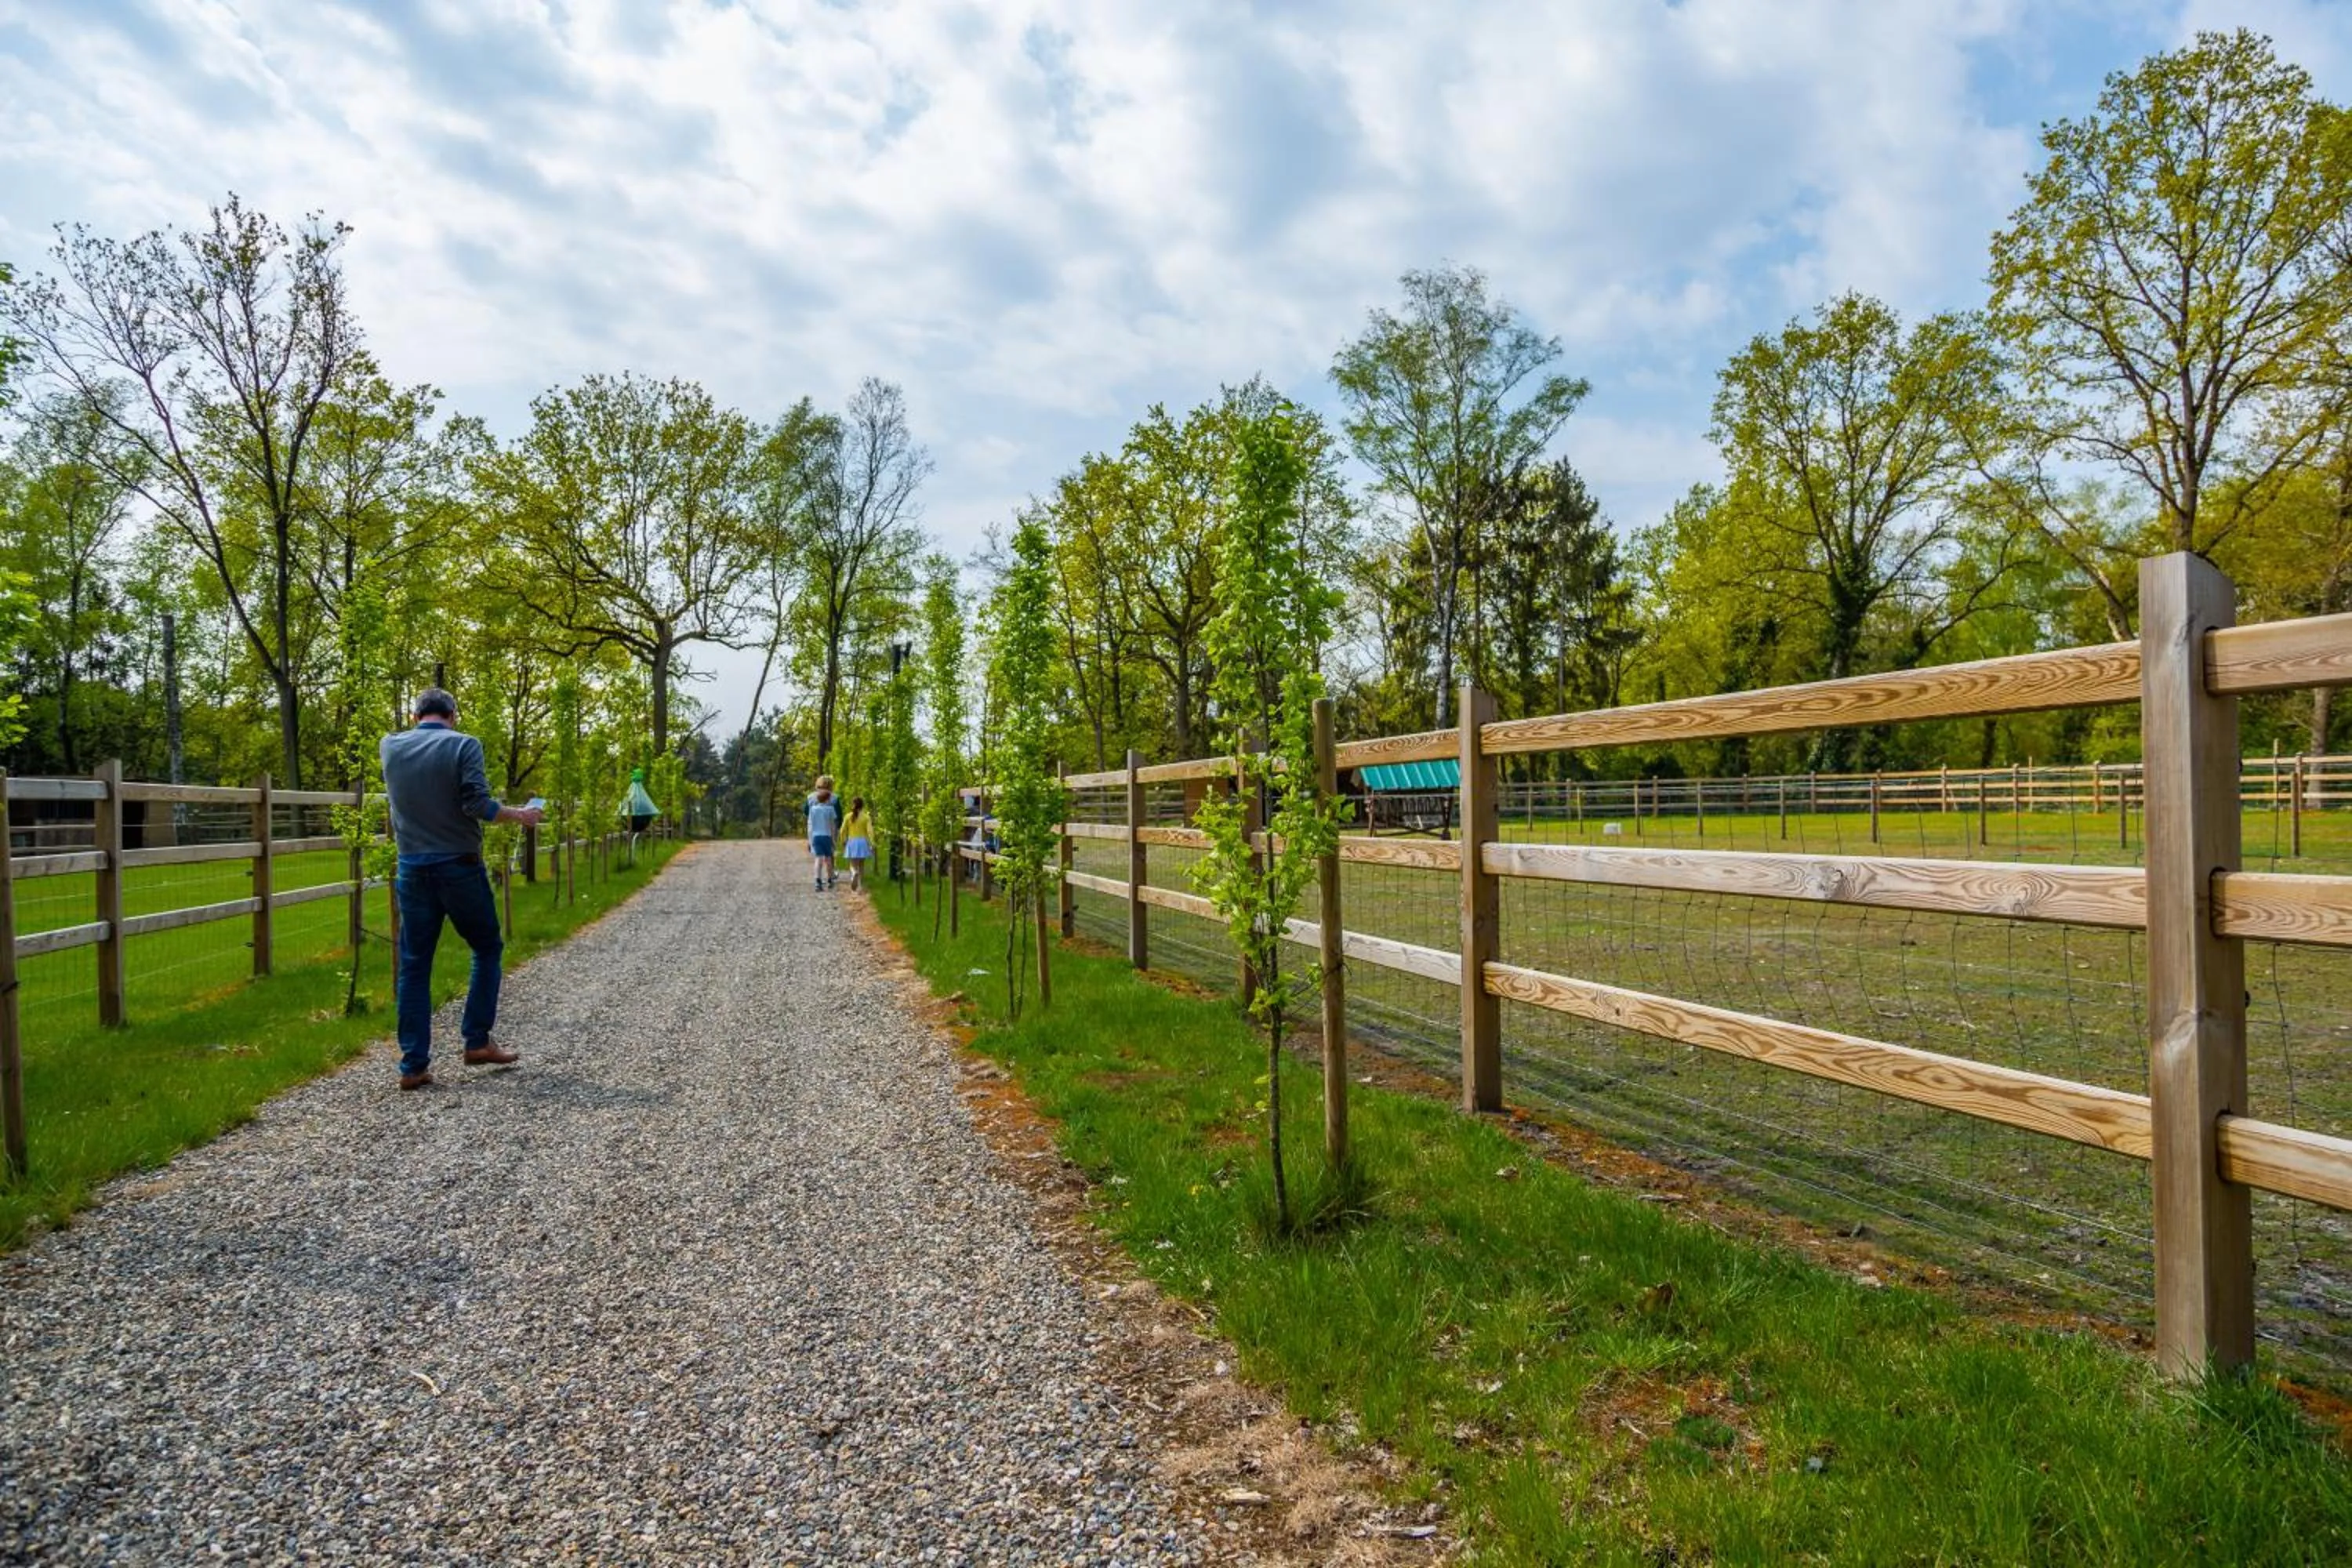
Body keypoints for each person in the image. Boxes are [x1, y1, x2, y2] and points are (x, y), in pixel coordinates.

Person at [379, 687, 543, 1092]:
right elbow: (476, 803)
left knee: (415, 965)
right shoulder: (464, 745)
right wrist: (520, 815)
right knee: (487, 947)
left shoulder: (390, 747)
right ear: (453, 714)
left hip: (411, 869)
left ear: (417, 714)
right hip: (459, 866)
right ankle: (476, 1040)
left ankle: (413, 1064)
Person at [808, 775, 840, 891]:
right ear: (827, 799)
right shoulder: (832, 806)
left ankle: (817, 880)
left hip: (816, 836)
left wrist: (810, 839)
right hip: (827, 835)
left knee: (818, 859)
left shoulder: (812, 806)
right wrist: (834, 839)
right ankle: (830, 879)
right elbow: (833, 824)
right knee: (829, 859)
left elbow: (810, 821)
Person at [841, 797, 875, 891]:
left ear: (853, 805)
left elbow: (842, 830)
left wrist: (843, 840)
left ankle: (854, 873)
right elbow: (870, 831)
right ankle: (860, 885)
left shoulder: (848, 816)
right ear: (862, 806)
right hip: (863, 842)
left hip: (852, 841)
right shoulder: (866, 817)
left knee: (852, 864)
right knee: (861, 865)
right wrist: (872, 843)